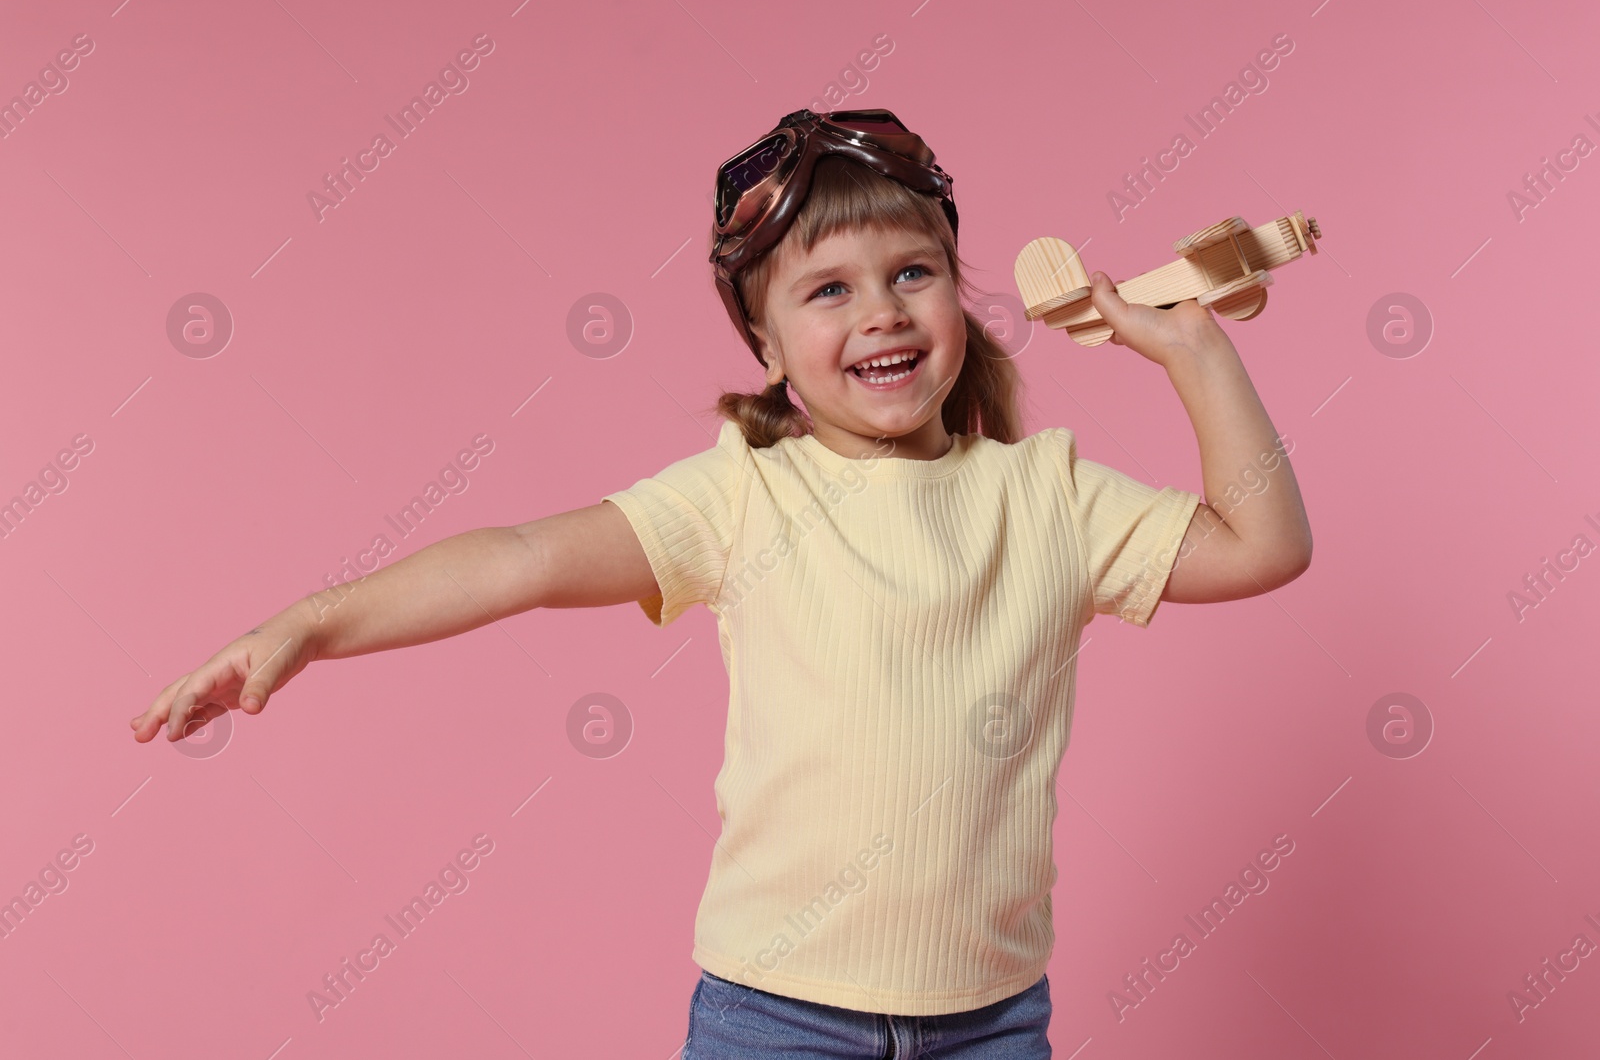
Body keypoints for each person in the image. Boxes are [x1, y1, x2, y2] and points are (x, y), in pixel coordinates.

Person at [130, 108, 1313, 1058]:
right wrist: (308, 623)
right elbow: (522, 558)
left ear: (960, 291)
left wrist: (1196, 350)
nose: (883, 311)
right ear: (766, 351)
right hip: (777, 1015)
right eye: (827, 289)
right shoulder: (746, 495)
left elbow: (1261, 543)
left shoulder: (1047, 494)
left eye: (914, 271)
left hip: (991, 1018)